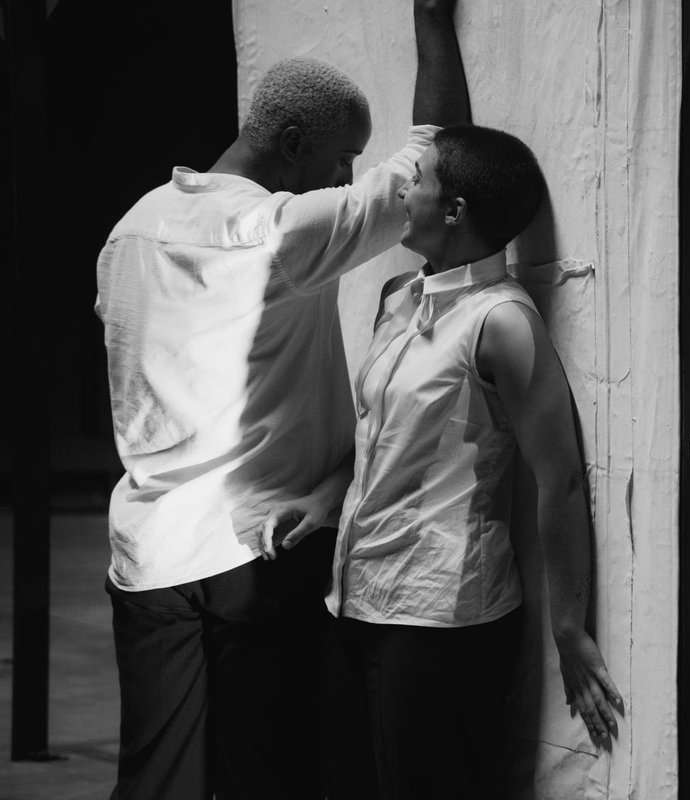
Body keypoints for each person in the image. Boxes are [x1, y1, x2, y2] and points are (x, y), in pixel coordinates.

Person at [93, 3, 468, 797]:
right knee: (274, 775)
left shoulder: (129, 233)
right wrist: (432, 23)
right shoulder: (278, 234)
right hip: (259, 554)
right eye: (341, 160)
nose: (344, 179)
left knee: (158, 780)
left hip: (150, 556)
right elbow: (436, 162)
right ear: (294, 145)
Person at [268, 124, 624, 799]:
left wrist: (570, 628)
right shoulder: (399, 297)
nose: (401, 187)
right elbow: (384, 432)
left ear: (454, 210)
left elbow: (562, 478)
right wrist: (323, 499)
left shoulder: (503, 322)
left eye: (419, 178)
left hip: (440, 620)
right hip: (355, 598)